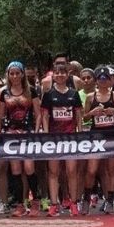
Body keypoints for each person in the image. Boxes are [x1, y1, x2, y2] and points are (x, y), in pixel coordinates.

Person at [0, 61, 41, 216]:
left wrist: (36, 132)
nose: (15, 76)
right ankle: (19, 204)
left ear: (22, 74)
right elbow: (1, 116)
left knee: (29, 167)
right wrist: (0, 134)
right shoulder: (4, 93)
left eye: (17, 73)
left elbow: (38, 113)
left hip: (28, 133)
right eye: (11, 73)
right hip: (10, 135)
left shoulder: (32, 91)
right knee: (15, 169)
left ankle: (36, 201)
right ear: (8, 75)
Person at [41, 64, 83, 217]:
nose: (59, 75)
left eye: (62, 73)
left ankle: (73, 203)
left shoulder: (74, 93)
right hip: (53, 138)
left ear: (67, 75)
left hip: (71, 137)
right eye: (57, 73)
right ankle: (53, 203)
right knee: (53, 171)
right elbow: (45, 115)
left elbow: (78, 114)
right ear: (53, 76)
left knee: (71, 171)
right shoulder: (48, 94)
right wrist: (45, 134)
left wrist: (79, 132)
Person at [81, 66, 114, 215]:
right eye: (100, 78)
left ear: (110, 80)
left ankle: (110, 200)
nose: (103, 81)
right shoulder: (90, 97)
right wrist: (93, 112)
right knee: (92, 169)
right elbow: (84, 117)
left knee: (111, 169)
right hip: (96, 136)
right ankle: (86, 198)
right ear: (96, 81)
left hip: (112, 135)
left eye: (106, 78)